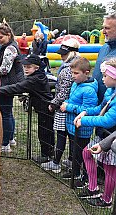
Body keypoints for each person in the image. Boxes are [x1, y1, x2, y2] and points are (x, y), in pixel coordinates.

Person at [0, 54, 54, 157]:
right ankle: (47, 154)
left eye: (29, 67)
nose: (25, 69)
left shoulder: (33, 80)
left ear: (37, 68)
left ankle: (47, 156)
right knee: (45, 131)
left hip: (44, 108)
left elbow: (17, 87)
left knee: (45, 133)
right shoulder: (38, 75)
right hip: (43, 108)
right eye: (24, 66)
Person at [42, 57, 98, 178]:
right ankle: (75, 171)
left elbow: (86, 110)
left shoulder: (89, 90)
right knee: (75, 151)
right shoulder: (76, 84)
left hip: (82, 128)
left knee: (80, 153)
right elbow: (72, 98)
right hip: (72, 126)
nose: (73, 76)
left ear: (86, 73)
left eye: (76, 73)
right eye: (72, 72)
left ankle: (80, 175)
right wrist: (65, 103)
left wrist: (68, 107)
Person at [75, 58, 116, 208]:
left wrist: (84, 121)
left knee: (109, 168)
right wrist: (85, 112)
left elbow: (108, 120)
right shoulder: (110, 92)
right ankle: (93, 189)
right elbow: (100, 108)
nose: (102, 79)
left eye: (105, 76)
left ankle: (107, 200)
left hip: (112, 138)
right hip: (103, 135)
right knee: (87, 153)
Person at [42, 38, 80, 170]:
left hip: (63, 108)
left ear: (71, 53)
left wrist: (53, 104)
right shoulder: (75, 66)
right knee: (71, 136)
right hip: (71, 107)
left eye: (64, 53)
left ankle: (56, 162)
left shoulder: (67, 69)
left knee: (61, 135)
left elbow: (63, 92)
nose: (61, 55)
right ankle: (70, 160)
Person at [0, 23, 24, 152]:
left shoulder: (10, 49)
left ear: (9, 35)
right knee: (7, 113)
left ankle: (5, 143)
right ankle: (10, 138)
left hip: (5, 85)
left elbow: (4, 69)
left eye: (0, 37)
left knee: (4, 114)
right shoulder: (7, 47)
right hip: (6, 84)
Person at [92, 13, 116, 103]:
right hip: (97, 104)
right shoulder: (104, 48)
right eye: (103, 27)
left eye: (107, 28)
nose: (103, 31)